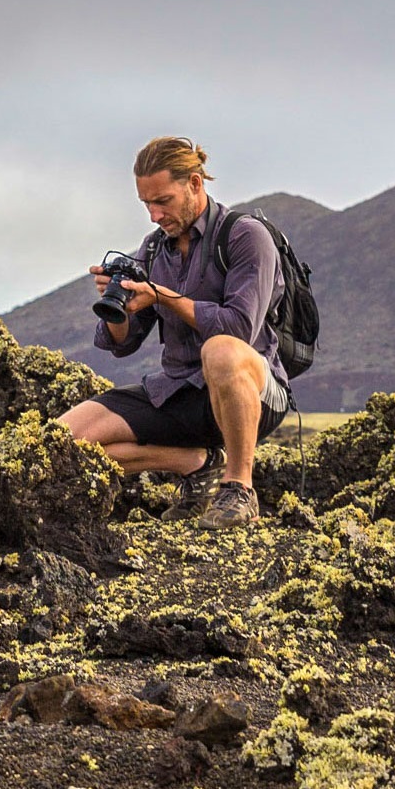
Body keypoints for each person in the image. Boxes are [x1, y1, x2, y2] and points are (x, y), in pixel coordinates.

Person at [58, 137, 291, 528]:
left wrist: (161, 295)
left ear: (195, 184)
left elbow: (239, 327)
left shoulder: (245, 236)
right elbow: (123, 344)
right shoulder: (153, 250)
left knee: (220, 350)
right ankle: (197, 464)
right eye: (146, 204)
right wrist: (118, 306)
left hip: (254, 393)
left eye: (163, 201)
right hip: (180, 390)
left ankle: (239, 488)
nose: (154, 215)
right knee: (62, 440)